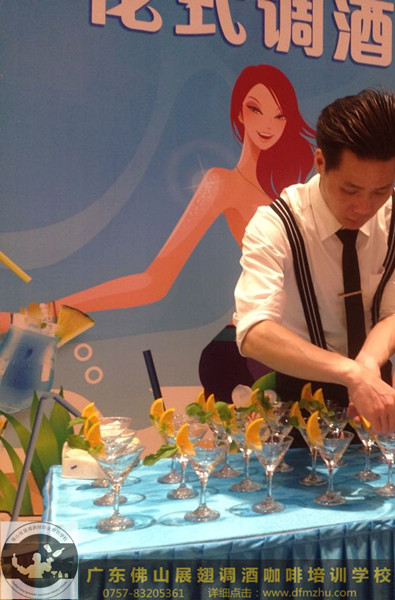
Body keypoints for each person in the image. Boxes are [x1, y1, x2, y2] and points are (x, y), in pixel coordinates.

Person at [37, 65, 315, 401]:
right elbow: (154, 281)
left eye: (279, 116)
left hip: (293, 345)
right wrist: (47, 311)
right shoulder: (222, 184)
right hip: (246, 351)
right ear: (240, 113)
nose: (268, 125)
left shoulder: (290, 195)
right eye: (256, 109)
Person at [233, 89, 395, 433]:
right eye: (350, 190)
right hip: (299, 405)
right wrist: (351, 373)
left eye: (380, 191)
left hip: (376, 394)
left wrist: (367, 364)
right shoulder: (276, 224)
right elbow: (254, 331)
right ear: (320, 162)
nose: (364, 207)